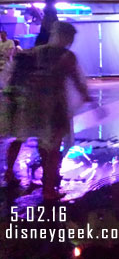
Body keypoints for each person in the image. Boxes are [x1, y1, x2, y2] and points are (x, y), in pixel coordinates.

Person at [3, 21, 90, 200]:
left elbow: (16, 72)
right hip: (54, 108)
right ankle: (48, 190)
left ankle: (9, 173)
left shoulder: (36, 52)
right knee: (52, 148)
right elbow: (76, 82)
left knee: (22, 139)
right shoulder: (67, 57)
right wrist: (88, 98)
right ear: (66, 37)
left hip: (30, 105)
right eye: (70, 37)